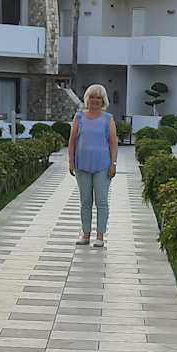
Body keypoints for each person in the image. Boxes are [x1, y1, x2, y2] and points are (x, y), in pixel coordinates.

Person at [69, 84, 118, 246]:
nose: (95, 100)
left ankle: (100, 236)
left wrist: (113, 164)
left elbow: (113, 143)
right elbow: (72, 141)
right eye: (92, 97)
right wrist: (71, 161)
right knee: (85, 202)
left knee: (101, 201)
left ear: (103, 100)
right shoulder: (79, 117)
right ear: (87, 99)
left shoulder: (108, 119)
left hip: (102, 166)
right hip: (82, 165)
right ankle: (85, 234)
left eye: (98, 98)